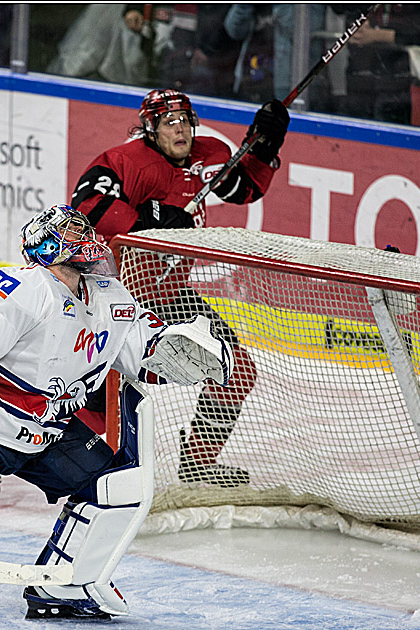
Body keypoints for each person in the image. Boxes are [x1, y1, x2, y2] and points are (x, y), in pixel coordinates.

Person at [0, 204, 233, 619]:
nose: (85, 233)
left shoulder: (110, 297)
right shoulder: (27, 286)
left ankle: (63, 585)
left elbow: (145, 350)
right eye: (71, 228)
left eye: (82, 227)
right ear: (49, 245)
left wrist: (182, 349)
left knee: (114, 489)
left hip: (48, 436)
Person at [69, 88, 289, 488]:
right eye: (169, 123)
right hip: (117, 297)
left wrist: (265, 147)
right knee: (94, 401)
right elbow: (85, 207)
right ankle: (9, 448)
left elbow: (244, 189)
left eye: (186, 121)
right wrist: (151, 219)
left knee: (234, 370)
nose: (180, 130)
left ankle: (198, 464)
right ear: (150, 128)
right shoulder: (125, 161)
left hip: (171, 294)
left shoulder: (208, 154)